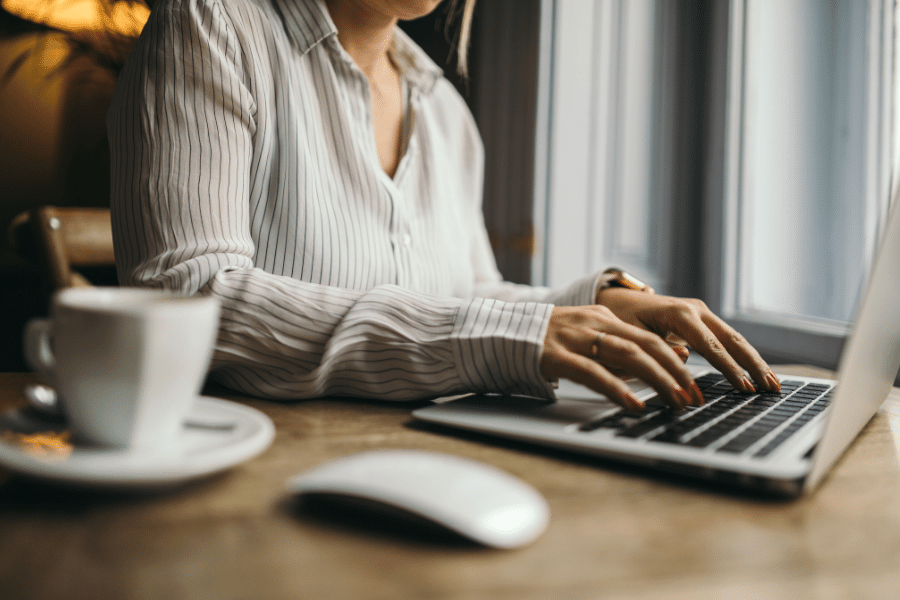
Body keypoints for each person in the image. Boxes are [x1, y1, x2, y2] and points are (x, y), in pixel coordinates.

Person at [108, 0, 780, 411]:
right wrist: (507, 337)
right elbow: (190, 295)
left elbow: (468, 293)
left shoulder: (446, 112)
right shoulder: (211, 26)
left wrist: (599, 304)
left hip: (426, 467)